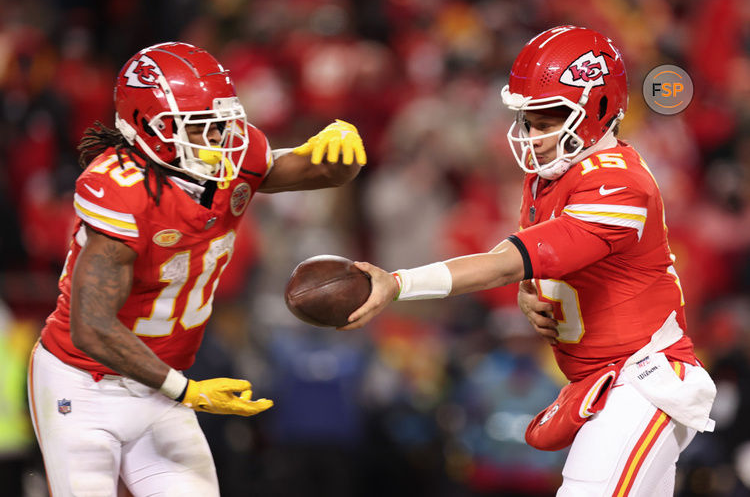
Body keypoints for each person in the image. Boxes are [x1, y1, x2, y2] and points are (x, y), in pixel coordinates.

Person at [342, 26, 716, 496]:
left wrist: (399, 283)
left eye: (550, 118)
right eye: (529, 120)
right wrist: (531, 291)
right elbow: (543, 264)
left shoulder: (620, 184)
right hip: (601, 382)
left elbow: (505, 263)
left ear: (598, 110)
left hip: (644, 381)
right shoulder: (550, 178)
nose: (535, 136)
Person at [27, 41, 366, 496]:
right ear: (151, 127)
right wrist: (186, 391)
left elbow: (318, 173)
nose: (221, 139)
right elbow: (91, 327)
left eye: (223, 123)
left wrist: (340, 155)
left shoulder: (231, 157)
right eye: (203, 127)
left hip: (162, 387)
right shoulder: (121, 190)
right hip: (84, 383)